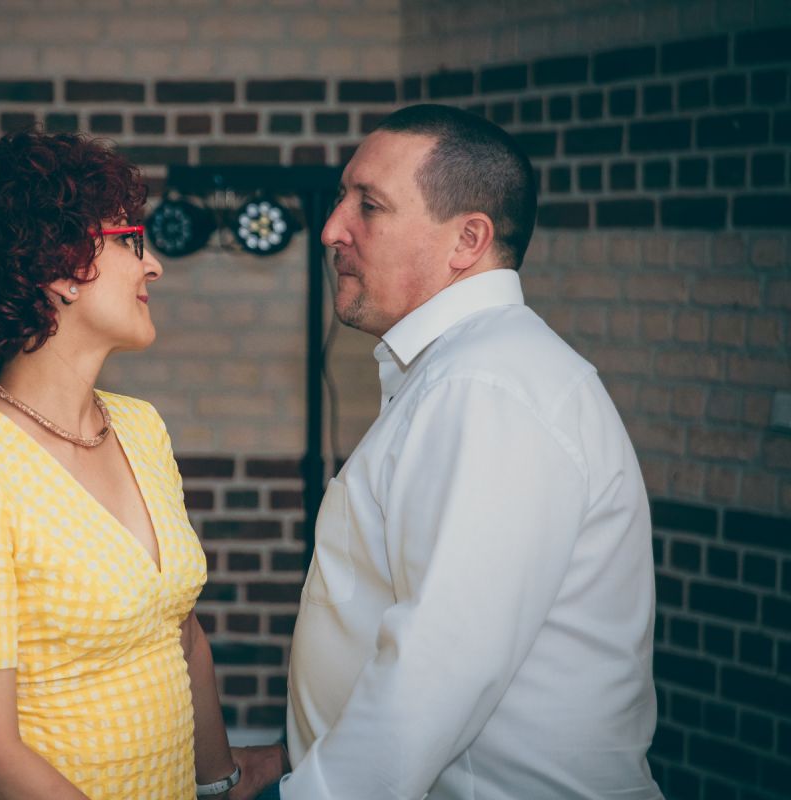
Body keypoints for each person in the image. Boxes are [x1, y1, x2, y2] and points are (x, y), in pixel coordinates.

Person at [232, 104, 661, 799]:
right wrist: (293, 757)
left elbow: (440, 664)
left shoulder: (485, 387)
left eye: (369, 205)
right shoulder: (465, 372)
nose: (332, 227)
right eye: (342, 197)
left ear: (468, 240)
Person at [0, 130, 241, 800]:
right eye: (129, 240)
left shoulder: (140, 428)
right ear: (58, 267)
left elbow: (181, 634)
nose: (153, 266)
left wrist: (219, 782)